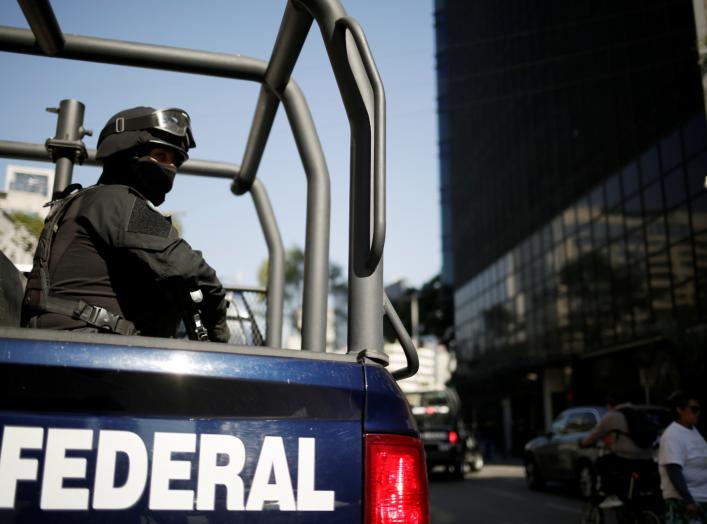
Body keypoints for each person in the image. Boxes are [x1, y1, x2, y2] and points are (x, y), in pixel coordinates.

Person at [21, 106, 230, 342]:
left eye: (175, 162)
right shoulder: (115, 201)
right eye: (160, 156)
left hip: (67, 351)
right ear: (126, 153)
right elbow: (192, 270)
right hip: (89, 357)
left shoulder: (86, 202)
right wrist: (219, 335)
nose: (169, 167)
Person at [580, 393, 657, 508]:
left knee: (602, 462)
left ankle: (611, 494)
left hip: (627, 458)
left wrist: (583, 443)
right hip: (647, 458)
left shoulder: (612, 416)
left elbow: (595, 434)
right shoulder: (640, 414)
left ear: (611, 405)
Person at [658, 391, 707, 523]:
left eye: (699, 409)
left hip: (701, 499)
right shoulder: (673, 435)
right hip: (684, 503)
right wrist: (688, 501)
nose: (698, 413)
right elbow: (673, 469)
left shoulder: (694, 431)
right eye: (694, 409)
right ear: (679, 409)